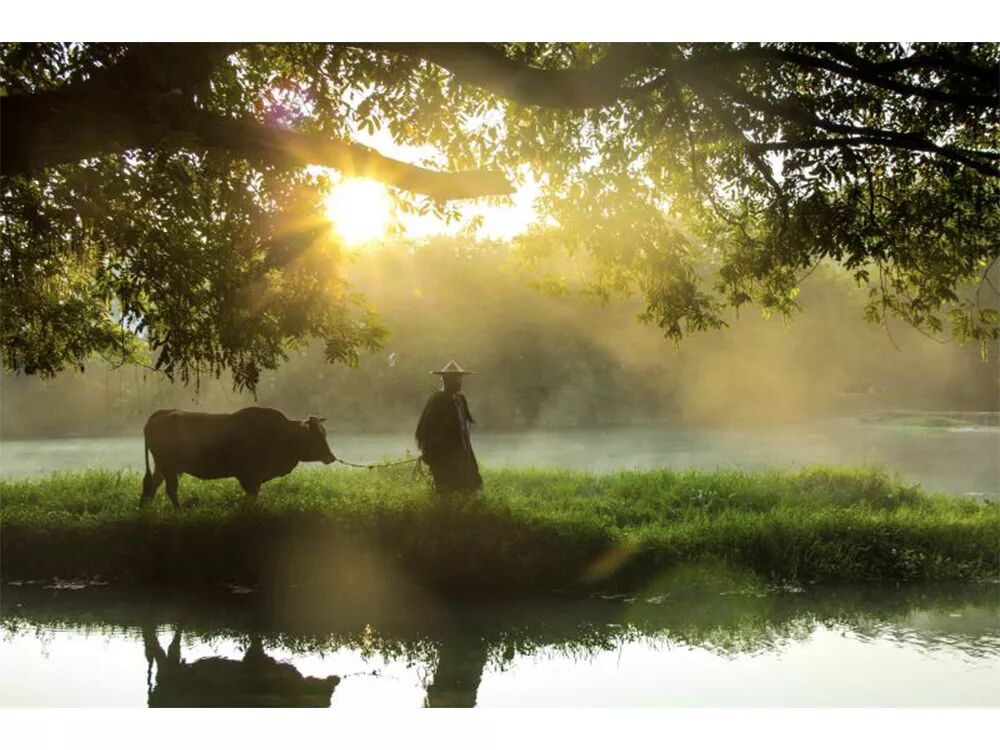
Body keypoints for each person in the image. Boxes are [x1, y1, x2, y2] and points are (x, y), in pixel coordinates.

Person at [415, 360, 483, 494]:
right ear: (447, 380)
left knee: (469, 487)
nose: (460, 382)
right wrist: (429, 451)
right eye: (457, 379)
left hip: (462, 454)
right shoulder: (438, 400)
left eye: (460, 378)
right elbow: (425, 430)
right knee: (448, 490)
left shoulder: (459, 400)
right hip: (444, 456)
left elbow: (463, 431)